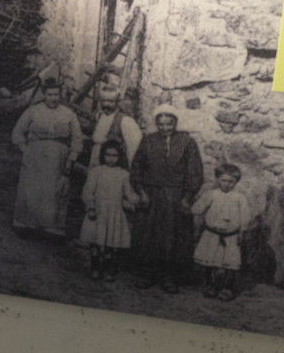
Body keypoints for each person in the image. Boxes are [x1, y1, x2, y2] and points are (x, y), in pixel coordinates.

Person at [130, 105, 204, 293]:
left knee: (172, 237)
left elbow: (194, 172)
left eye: (169, 124)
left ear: (175, 123)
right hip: (152, 196)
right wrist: (141, 192)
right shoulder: (148, 141)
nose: (165, 128)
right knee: (149, 235)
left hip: (174, 197)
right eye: (161, 124)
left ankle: (168, 275)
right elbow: (137, 168)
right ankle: (147, 273)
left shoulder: (187, 142)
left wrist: (187, 197)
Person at [10, 80, 84, 237]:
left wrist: (71, 158)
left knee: (54, 191)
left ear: (60, 95)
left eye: (56, 95)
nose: (53, 98)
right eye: (49, 95)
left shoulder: (68, 114)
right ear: (44, 95)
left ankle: (50, 227)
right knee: (31, 188)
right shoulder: (33, 111)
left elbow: (77, 138)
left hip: (58, 157)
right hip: (35, 154)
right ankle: (26, 223)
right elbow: (17, 133)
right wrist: (26, 150)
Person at [79, 139, 140, 281]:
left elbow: (128, 193)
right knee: (95, 240)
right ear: (102, 155)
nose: (111, 159)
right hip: (98, 210)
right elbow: (88, 191)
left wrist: (137, 200)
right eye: (108, 155)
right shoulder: (96, 171)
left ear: (119, 157)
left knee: (110, 242)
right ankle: (95, 267)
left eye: (114, 156)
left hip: (114, 212)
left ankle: (107, 269)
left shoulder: (123, 174)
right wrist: (91, 207)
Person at [191, 163, 252, 301]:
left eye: (231, 182)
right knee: (209, 261)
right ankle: (209, 285)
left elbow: (245, 216)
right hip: (212, 233)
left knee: (230, 263)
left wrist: (242, 231)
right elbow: (197, 209)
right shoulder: (211, 194)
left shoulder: (239, 198)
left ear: (236, 182)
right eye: (224, 180)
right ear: (217, 179)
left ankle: (228, 288)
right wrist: (200, 207)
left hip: (231, 236)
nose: (227, 184)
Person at [88, 87, 142, 168]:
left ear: (118, 102)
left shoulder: (125, 121)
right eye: (103, 101)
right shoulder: (99, 116)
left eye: (110, 101)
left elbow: (133, 150)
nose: (106, 104)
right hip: (95, 163)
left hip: (114, 167)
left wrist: (130, 169)